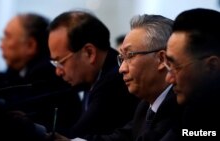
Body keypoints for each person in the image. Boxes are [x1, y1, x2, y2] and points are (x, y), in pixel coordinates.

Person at [54, 14, 183, 141]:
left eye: (130, 56)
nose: (121, 69)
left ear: (161, 59)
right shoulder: (145, 106)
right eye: (122, 59)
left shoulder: (182, 108)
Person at [0, 13, 82, 140]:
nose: (1, 45)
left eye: (7, 37)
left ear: (30, 46)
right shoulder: (19, 69)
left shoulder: (47, 72)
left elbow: (13, 108)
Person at [48, 10, 138, 138]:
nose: (58, 71)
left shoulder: (115, 82)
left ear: (89, 53)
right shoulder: (92, 77)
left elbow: (76, 137)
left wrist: (33, 130)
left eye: (60, 62)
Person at [164, 8, 220, 140]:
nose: (168, 79)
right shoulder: (188, 106)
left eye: (176, 67)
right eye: (168, 65)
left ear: (212, 65)